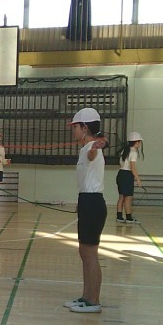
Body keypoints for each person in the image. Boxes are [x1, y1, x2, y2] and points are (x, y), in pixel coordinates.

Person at [64, 107, 107, 313]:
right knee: (84, 252)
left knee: (90, 254)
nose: (73, 130)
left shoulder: (91, 148)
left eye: (75, 127)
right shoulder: (86, 147)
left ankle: (94, 301)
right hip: (87, 200)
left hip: (93, 202)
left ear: (85, 128)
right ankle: (86, 297)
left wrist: (96, 146)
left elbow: (92, 154)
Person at [116, 132, 144, 224]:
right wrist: (138, 179)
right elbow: (132, 166)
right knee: (128, 198)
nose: (140, 144)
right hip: (127, 175)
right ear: (137, 142)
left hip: (121, 174)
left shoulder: (125, 150)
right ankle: (129, 218)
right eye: (139, 142)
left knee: (121, 197)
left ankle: (119, 217)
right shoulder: (133, 152)